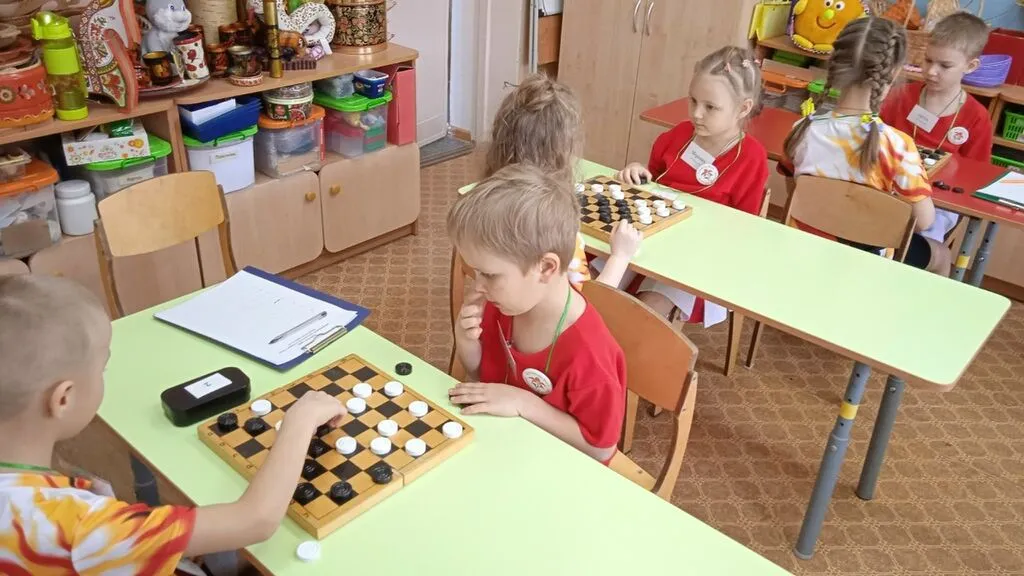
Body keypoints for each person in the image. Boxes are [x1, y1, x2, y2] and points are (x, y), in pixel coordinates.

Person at [0, 275, 345, 574]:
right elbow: (256, 521)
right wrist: (299, 421)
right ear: (64, 398)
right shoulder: (80, 530)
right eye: (101, 368)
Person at [448, 164, 627, 464]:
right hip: (503, 448)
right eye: (475, 271)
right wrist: (467, 342)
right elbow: (482, 379)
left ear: (545, 268)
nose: (478, 285)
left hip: (557, 468)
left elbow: (601, 449)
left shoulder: (591, 354)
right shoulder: (506, 303)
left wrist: (525, 404)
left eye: (488, 274)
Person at [783, 16, 952, 275]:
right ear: (892, 74)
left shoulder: (802, 130)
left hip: (805, 247)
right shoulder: (897, 146)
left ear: (835, 65)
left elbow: (796, 193)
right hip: (865, 263)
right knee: (941, 254)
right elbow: (923, 221)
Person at [614, 45, 770, 327]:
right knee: (591, 283)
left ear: (743, 108)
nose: (697, 114)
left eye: (710, 107)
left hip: (697, 258)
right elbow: (652, 182)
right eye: (693, 101)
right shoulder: (678, 136)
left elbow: (744, 227)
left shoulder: (751, 158)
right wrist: (636, 172)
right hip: (649, 238)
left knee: (645, 314)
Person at [486, 73, 642, 289]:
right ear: (562, 151)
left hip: (504, 300)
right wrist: (620, 257)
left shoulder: (488, 198)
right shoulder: (556, 225)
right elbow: (584, 302)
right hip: (546, 309)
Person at [881, 11, 993, 245]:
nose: (932, 71)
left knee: (924, 238)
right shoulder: (901, 95)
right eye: (928, 60)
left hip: (937, 202)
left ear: (970, 66)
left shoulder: (976, 117)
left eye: (945, 65)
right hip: (888, 187)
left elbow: (975, 176)